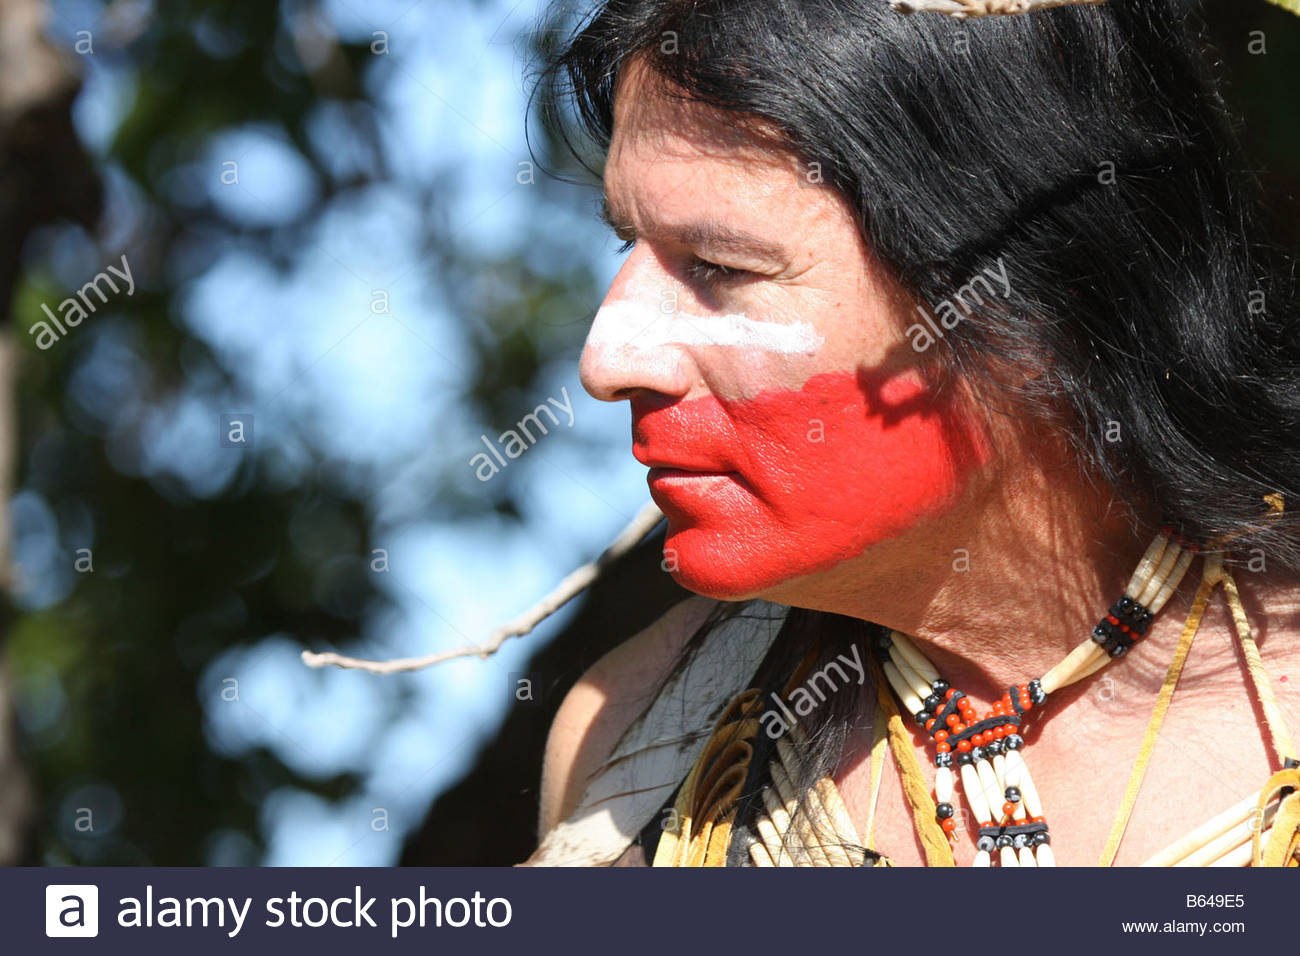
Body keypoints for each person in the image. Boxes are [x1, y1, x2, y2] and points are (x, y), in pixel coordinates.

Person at [524, 0, 1300, 867]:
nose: (608, 359)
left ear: (1041, 298)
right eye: (628, 245)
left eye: (720, 267)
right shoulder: (629, 749)